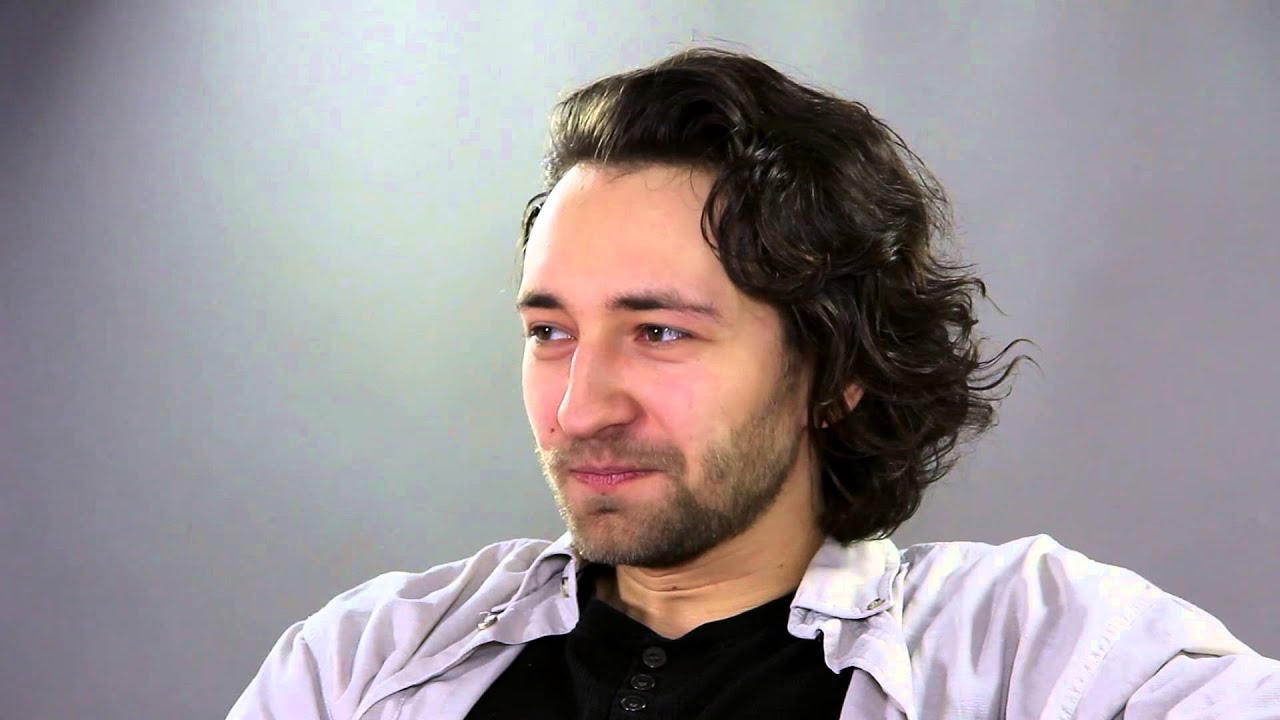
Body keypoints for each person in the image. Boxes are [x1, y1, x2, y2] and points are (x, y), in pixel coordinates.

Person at [228, 48, 1279, 719]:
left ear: (837, 369)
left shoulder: (1036, 653)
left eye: (659, 332)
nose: (579, 408)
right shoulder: (362, 663)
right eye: (550, 332)